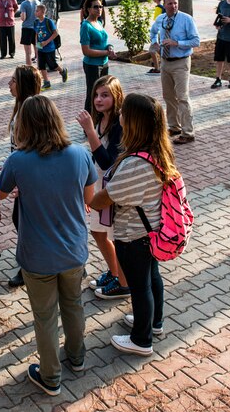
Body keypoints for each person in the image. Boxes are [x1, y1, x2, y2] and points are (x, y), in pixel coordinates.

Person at [0, 95, 97, 396]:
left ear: (24, 125)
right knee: (74, 304)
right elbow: (89, 199)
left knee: (45, 316)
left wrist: (21, 188)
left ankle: (51, 376)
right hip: (74, 250)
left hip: (37, 256)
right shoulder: (80, 154)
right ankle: (77, 359)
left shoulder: (18, 161)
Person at [89, 93, 175, 356]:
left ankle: (141, 339)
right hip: (152, 231)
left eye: (125, 112)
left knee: (140, 287)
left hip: (135, 236)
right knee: (151, 278)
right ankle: (153, 323)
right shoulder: (156, 151)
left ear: (135, 121)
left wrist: (92, 199)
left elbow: (105, 198)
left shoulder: (135, 163)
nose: (121, 115)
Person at [76, 75, 128, 300]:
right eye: (96, 95)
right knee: (98, 232)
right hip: (100, 187)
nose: (98, 99)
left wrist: (90, 132)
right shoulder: (101, 121)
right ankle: (115, 272)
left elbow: (108, 162)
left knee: (115, 236)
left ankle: (124, 284)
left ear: (116, 97)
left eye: (105, 95)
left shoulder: (118, 126)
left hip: (113, 191)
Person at [5, 64, 43, 287]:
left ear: (23, 85)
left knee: (25, 221)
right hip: (23, 175)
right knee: (22, 220)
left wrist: (22, 177)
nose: (9, 84)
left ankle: (28, 266)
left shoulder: (30, 113)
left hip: (30, 179)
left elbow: (33, 149)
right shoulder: (22, 108)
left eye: (13, 80)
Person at [149, 0, 200, 145]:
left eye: (175, 3)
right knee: (168, 96)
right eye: (170, 3)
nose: (173, 6)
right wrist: (154, 43)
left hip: (181, 62)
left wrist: (177, 43)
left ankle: (188, 132)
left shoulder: (186, 19)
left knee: (182, 97)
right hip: (165, 62)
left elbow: (196, 41)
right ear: (164, 5)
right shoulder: (161, 19)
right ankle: (174, 127)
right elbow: (153, 32)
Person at [79, 0, 116, 113]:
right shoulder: (86, 25)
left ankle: (100, 120)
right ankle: (88, 124)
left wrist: (109, 47)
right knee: (93, 94)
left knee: (104, 93)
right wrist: (106, 52)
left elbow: (102, 42)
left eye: (101, 6)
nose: (99, 9)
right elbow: (86, 51)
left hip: (104, 63)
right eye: (96, 7)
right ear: (88, 9)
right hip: (93, 66)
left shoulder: (99, 22)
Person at [33, 4, 67, 90]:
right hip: (41, 48)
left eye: (37, 11)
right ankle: (46, 82)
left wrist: (46, 42)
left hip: (49, 48)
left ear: (43, 12)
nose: (35, 12)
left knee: (52, 65)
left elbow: (55, 33)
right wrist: (37, 46)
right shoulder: (36, 22)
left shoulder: (48, 22)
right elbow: (36, 34)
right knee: (41, 66)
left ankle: (63, 71)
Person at [19, 0, 40, 65]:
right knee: (38, 48)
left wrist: (21, 15)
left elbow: (23, 18)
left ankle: (29, 69)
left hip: (27, 29)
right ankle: (39, 67)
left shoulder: (24, 4)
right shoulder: (37, 2)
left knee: (28, 53)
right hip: (36, 29)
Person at [146, 0, 164, 74]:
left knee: (152, 50)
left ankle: (157, 68)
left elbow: (156, 21)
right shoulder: (163, 7)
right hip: (162, 33)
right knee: (158, 50)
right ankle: (160, 66)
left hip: (158, 33)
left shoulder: (158, 8)